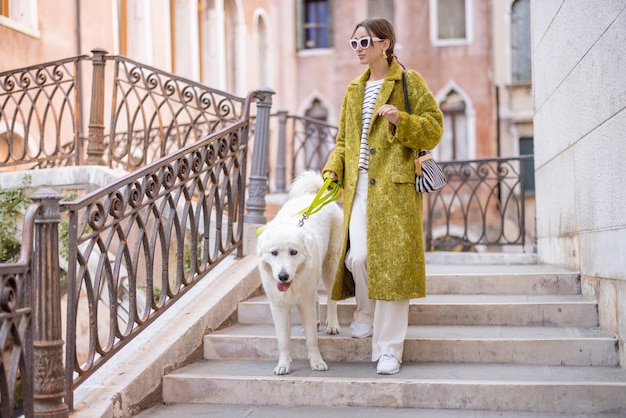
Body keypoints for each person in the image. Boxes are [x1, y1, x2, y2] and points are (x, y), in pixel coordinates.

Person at [322, 18, 443, 375]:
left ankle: (390, 348)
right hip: (357, 188)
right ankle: (365, 311)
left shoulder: (409, 81)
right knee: (357, 258)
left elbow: (434, 127)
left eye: (365, 42)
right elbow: (343, 141)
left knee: (393, 270)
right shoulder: (353, 91)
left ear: (386, 43)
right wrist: (333, 169)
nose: (359, 49)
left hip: (395, 188)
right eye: (354, 43)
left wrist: (400, 119)